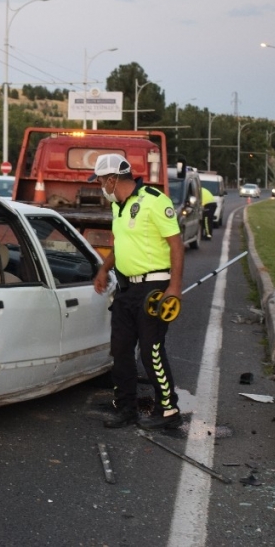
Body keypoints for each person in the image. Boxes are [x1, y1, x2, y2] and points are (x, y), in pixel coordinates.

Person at [90, 153, 185, 430]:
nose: (99, 186)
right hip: (126, 287)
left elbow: (176, 245)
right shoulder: (118, 206)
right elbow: (119, 244)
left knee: (151, 350)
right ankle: (126, 408)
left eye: (99, 181)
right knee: (120, 350)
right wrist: (104, 269)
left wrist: (175, 287)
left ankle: (168, 410)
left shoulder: (155, 201)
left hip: (153, 288)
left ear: (111, 179)